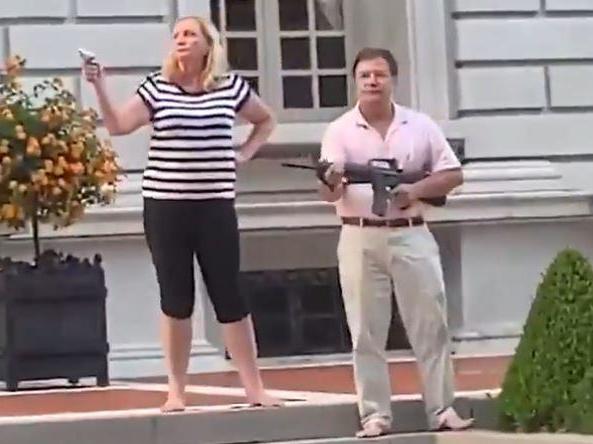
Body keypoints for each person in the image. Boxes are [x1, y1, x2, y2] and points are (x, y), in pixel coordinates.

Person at [82, 16, 280, 412]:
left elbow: (266, 119)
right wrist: (99, 86)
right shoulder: (158, 87)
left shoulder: (230, 88)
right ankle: (176, 390)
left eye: (190, 34)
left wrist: (245, 152)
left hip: (216, 206)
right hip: (166, 206)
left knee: (229, 295)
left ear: (209, 44)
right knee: (177, 298)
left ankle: (254, 387)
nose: (182, 41)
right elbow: (119, 126)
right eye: (176, 36)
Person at [319, 47, 474, 437]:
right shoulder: (338, 130)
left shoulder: (419, 125)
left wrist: (414, 190)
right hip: (359, 235)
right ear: (355, 81)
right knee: (365, 331)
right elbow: (329, 194)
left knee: (431, 326)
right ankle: (374, 415)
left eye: (380, 75)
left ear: (393, 80)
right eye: (365, 75)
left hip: (411, 232)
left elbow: (452, 174)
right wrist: (333, 179)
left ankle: (442, 409)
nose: (372, 81)